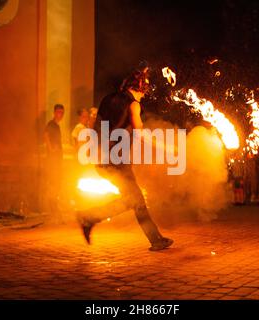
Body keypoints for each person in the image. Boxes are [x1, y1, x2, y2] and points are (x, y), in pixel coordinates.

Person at [76, 64, 173, 251]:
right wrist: (165, 147)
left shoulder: (108, 99)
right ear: (140, 89)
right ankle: (88, 218)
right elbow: (140, 132)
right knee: (135, 200)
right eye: (144, 91)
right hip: (117, 160)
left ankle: (156, 239)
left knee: (134, 200)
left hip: (102, 158)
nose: (144, 95)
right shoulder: (133, 104)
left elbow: (96, 127)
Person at [44, 104, 65, 199]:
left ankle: (54, 201)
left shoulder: (57, 125)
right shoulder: (51, 124)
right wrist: (51, 148)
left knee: (57, 180)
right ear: (54, 112)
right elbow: (46, 135)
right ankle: (51, 202)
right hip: (53, 158)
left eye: (62, 113)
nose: (60, 114)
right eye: (58, 112)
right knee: (53, 180)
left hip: (57, 158)